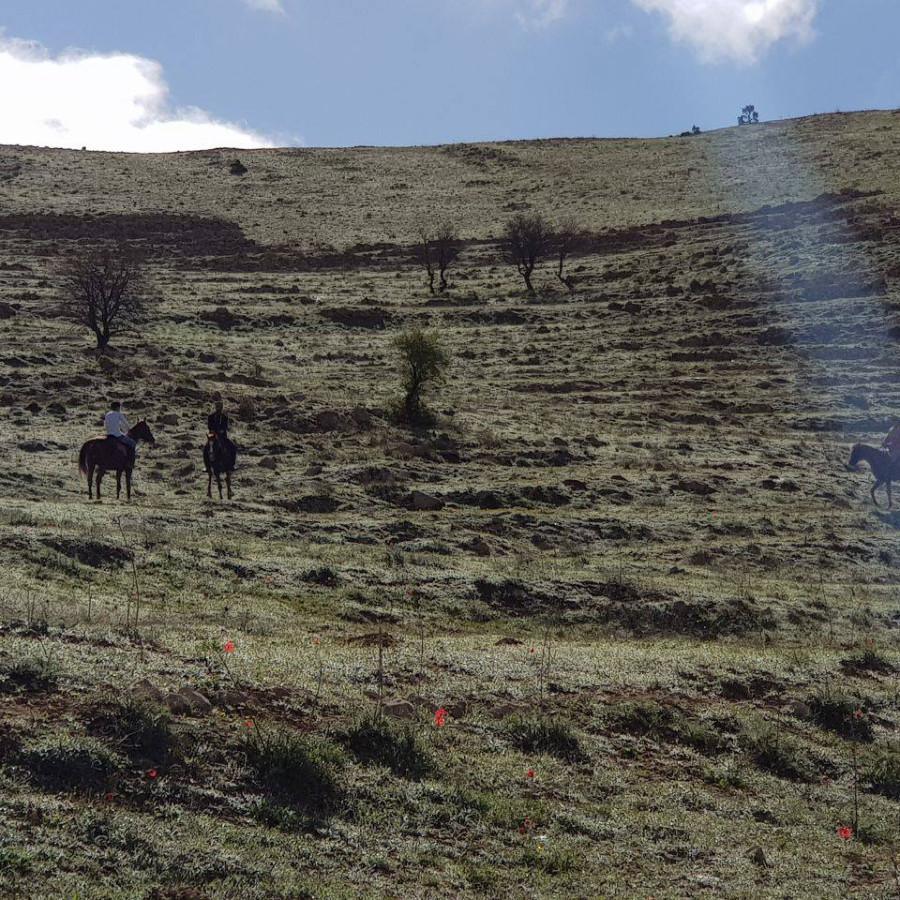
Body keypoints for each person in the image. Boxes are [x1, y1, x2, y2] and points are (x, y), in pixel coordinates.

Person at [207, 395, 236, 467]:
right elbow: (209, 426)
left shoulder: (224, 417)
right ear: (215, 407)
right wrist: (213, 431)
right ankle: (207, 466)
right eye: (217, 407)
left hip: (222, 436)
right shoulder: (211, 417)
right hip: (213, 436)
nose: (219, 409)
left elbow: (225, 427)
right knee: (207, 448)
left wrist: (221, 431)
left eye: (220, 408)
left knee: (233, 447)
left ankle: (232, 465)